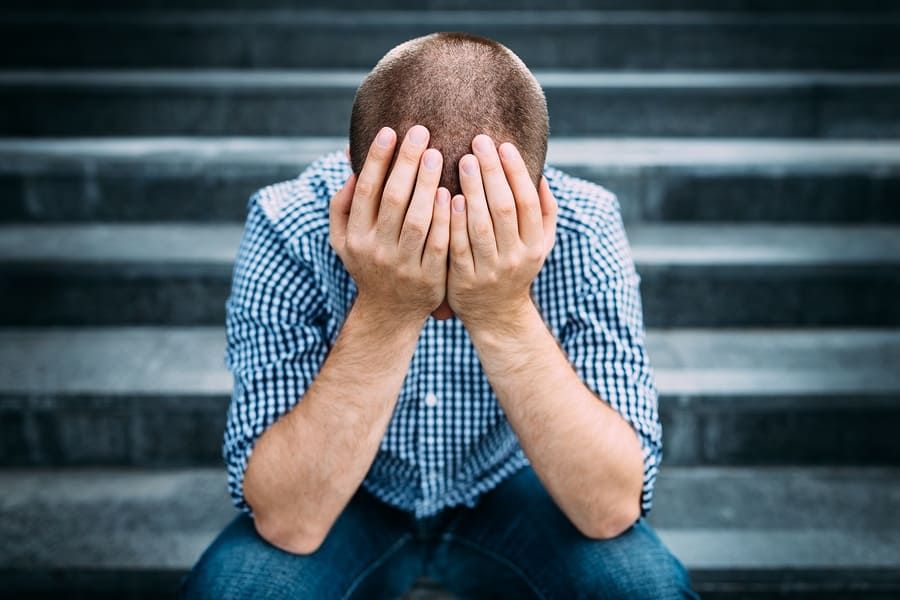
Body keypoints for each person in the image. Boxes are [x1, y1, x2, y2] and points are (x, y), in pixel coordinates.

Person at [180, 32, 698, 599]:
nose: (435, 279)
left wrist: (501, 310)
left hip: (512, 489)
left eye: (481, 242)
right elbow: (288, 520)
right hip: (352, 499)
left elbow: (612, 508)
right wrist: (386, 306)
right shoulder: (291, 222)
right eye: (411, 238)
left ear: (533, 193)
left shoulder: (582, 224)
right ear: (358, 192)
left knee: (643, 587)